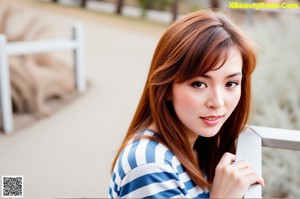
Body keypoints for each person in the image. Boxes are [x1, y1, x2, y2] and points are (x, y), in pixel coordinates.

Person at [109, 9, 265, 198]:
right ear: (166, 88)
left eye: (231, 83)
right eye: (199, 84)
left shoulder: (201, 147)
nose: (217, 102)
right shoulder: (149, 165)